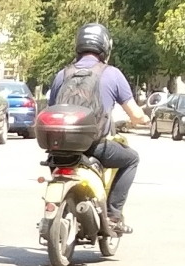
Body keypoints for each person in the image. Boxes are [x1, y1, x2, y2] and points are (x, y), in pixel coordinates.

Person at [49, 22, 138, 233]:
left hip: (59, 148)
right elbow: (135, 114)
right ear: (105, 47)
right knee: (132, 158)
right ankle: (114, 214)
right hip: (93, 146)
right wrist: (142, 120)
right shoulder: (112, 74)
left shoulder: (62, 74)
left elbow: (52, 108)